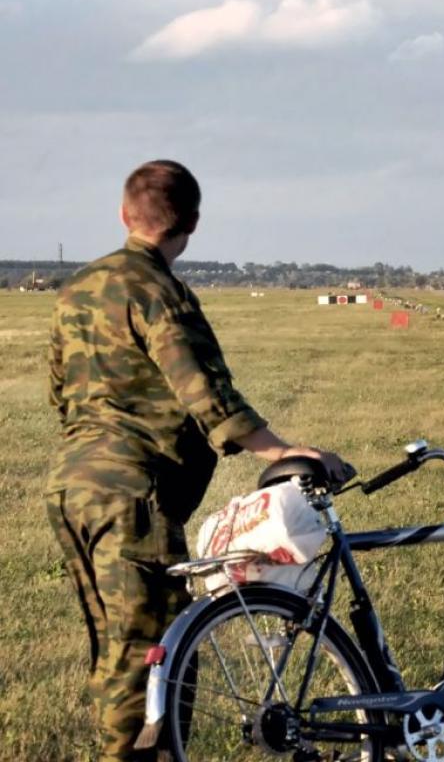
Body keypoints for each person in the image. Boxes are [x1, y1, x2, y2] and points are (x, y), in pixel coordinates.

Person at [44, 160, 352, 761]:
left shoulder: (77, 288)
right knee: (155, 658)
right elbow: (200, 385)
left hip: (71, 486)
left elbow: (62, 392)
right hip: (132, 494)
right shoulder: (159, 290)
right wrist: (277, 449)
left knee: (116, 648)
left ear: (123, 214)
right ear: (192, 224)